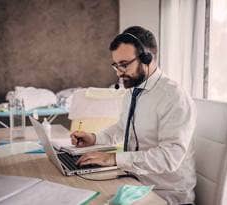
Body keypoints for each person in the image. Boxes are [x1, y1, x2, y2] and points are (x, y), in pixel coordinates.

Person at [70, 26, 197, 205]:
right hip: (134, 184)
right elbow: (123, 128)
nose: (119, 73)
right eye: (116, 65)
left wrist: (113, 158)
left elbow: (169, 157)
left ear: (147, 58)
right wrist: (93, 138)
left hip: (166, 195)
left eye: (124, 64)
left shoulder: (174, 97)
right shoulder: (133, 91)